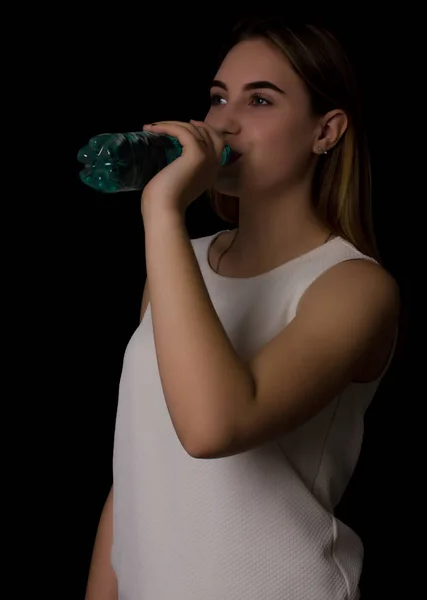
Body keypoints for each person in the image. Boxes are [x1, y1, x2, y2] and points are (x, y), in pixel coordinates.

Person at [85, 16, 400, 600]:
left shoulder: (353, 287)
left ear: (325, 131)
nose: (223, 121)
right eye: (217, 98)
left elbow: (212, 426)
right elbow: (139, 469)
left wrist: (162, 212)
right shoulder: (183, 262)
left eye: (260, 100)